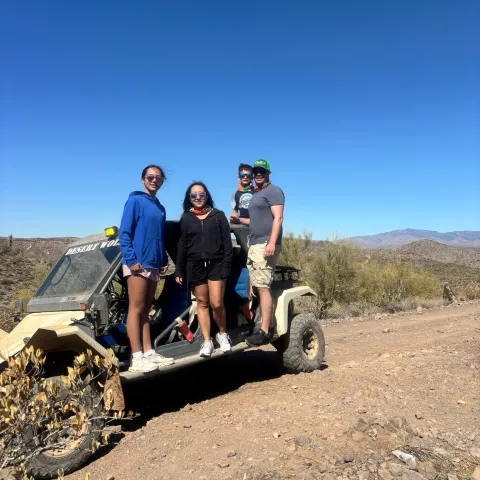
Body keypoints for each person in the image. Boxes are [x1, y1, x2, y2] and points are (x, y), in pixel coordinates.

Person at [119, 165, 175, 372]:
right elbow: (124, 233)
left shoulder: (159, 206)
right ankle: (137, 357)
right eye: (150, 177)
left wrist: (163, 259)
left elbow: (158, 236)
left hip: (153, 263)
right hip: (137, 263)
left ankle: (149, 352)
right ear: (143, 179)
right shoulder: (135, 201)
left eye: (158, 178)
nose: (154, 180)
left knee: (146, 310)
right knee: (136, 308)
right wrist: (131, 259)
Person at [175, 182, 233, 357]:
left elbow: (227, 244)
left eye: (201, 194)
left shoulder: (218, 216)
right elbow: (182, 245)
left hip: (216, 264)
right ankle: (207, 341)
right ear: (189, 198)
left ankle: (222, 334)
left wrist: (226, 267)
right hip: (195, 265)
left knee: (216, 303)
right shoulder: (186, 219)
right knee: (202, 303)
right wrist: (179, 269)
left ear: (207, 195)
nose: (198, 197)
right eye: (194, 195)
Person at [231, 159, 285, 346]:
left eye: (262, 171)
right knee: (256, 286)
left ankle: (264, 331)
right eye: (256, 172)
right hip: (253, 243)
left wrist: (271, 242)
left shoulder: (273, 191)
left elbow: (278, 218)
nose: (258, 174)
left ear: (269, 173)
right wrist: (239, 221)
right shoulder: (257, 194)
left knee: (263, 286)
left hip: (264, 243)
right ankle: (259, 325)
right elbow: (254, 221)